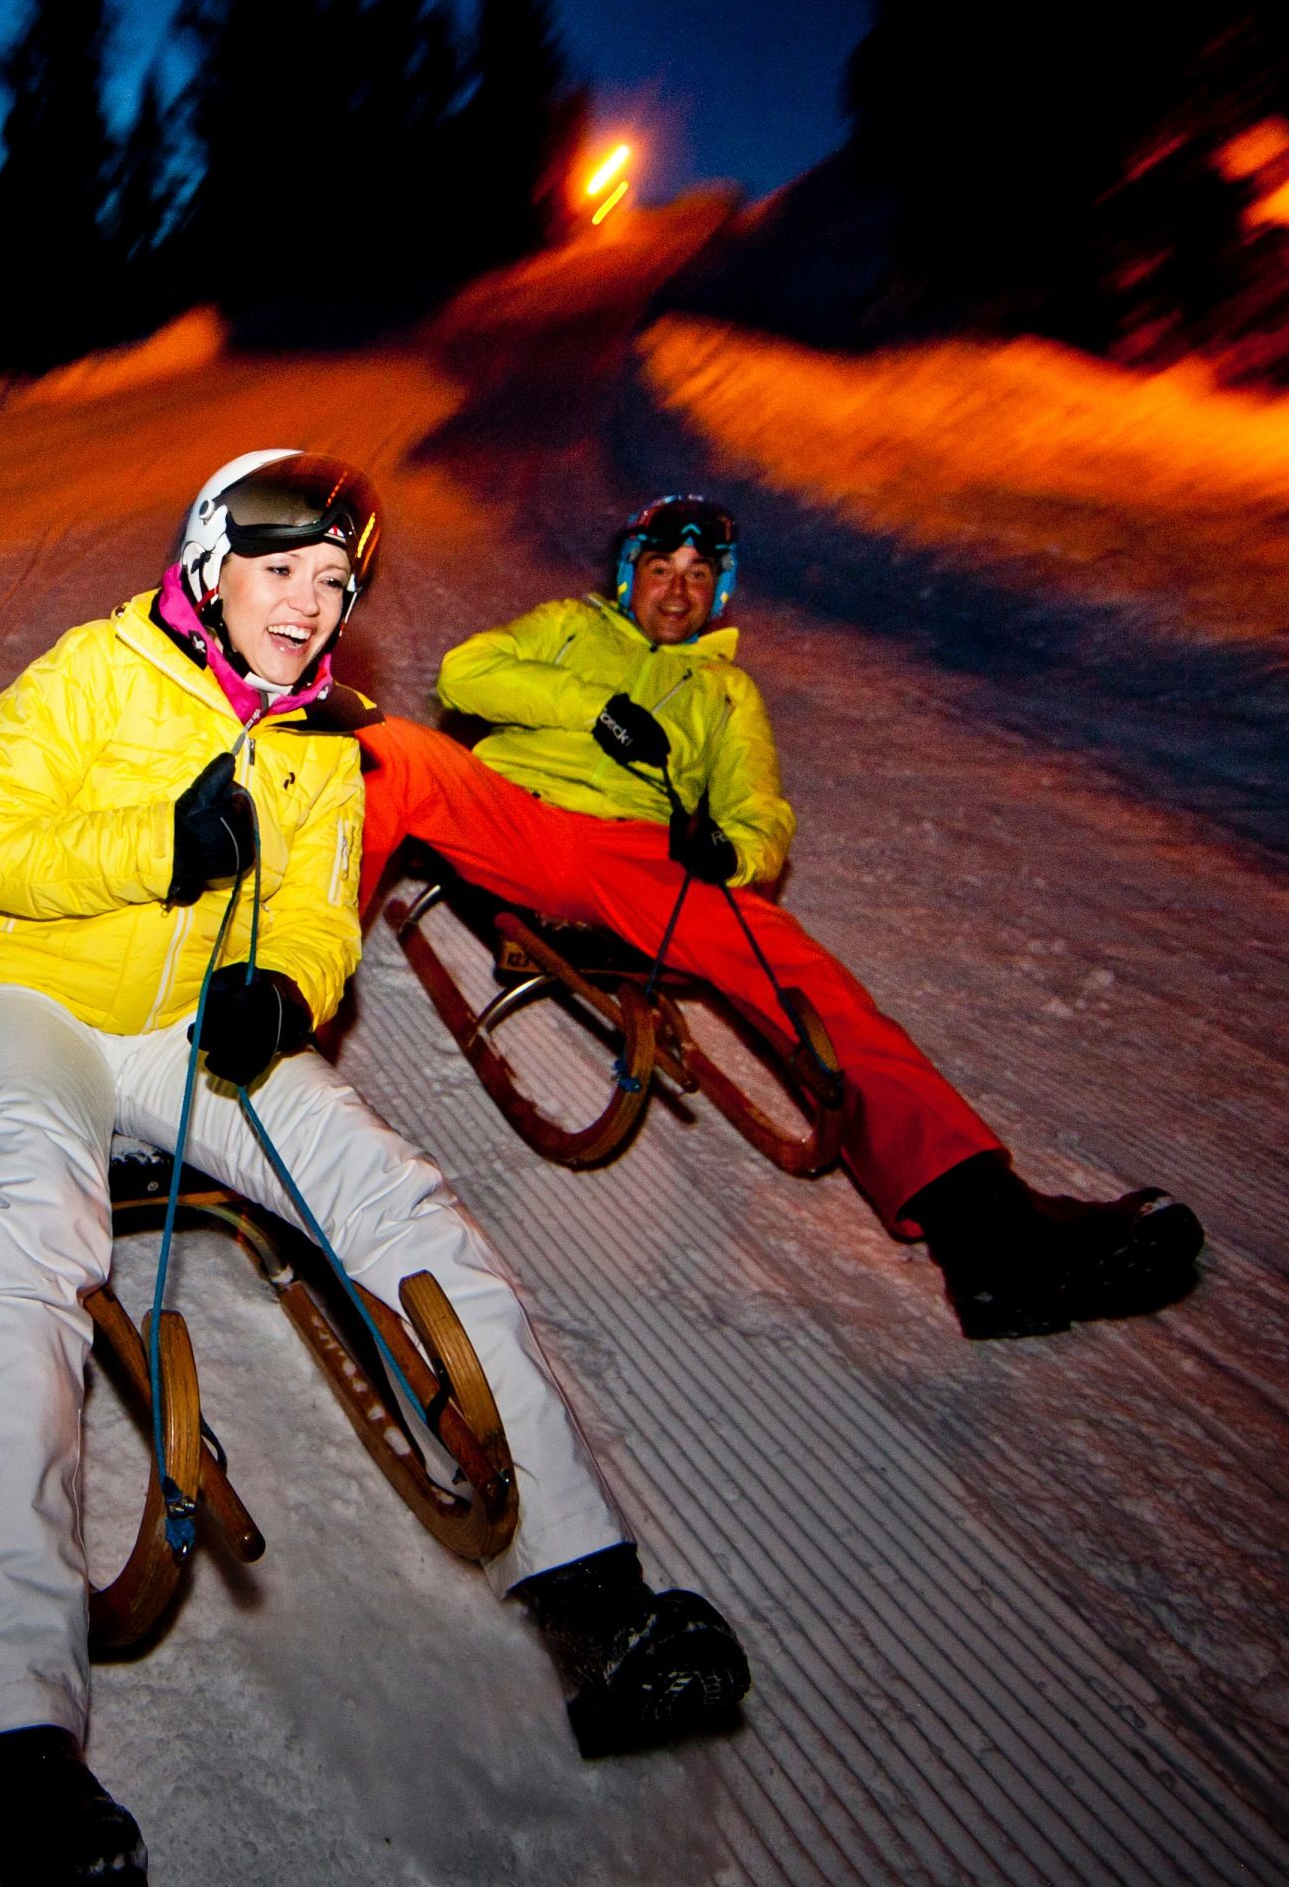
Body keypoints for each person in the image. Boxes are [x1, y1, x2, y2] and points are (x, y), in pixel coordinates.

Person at [0, 452, 748, 1887]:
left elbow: (312, 921)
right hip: (27, 999)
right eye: (278, 571)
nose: (304, 607)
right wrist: (155, 848)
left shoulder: (320, 743)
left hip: (191, 1029)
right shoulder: (94, 669)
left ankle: (595, 1601)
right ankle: (0, 1741)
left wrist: (283, 997)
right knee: (29, 1234)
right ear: (211, 562)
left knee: (393, 1197)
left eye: (331, 585)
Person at [359, 493, 1207, 1340]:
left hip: (634, 858)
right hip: (509, 811)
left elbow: (762, 812)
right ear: (630, 578)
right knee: (379, 747)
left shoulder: (726, 694)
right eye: (661, 572)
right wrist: (595, 709)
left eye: (699, 579)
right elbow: (466, 672)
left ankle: (986, 1228)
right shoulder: (568, 626)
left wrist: (730, 852)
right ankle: (282, 983)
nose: (678, 592)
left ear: (718, 595)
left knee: (801, 978)